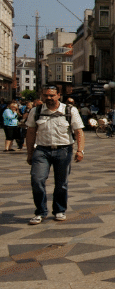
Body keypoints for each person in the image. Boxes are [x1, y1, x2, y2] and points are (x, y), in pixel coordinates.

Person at [24, 87, 85, 224]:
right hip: (41, 151)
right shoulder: (36, 111)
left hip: (64, 150)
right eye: (45, 95)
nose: (48, 98)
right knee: (37, 179)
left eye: (52, 95)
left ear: (58, 95)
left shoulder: (69, 110)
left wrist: (80, 150)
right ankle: (40, 211)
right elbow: (31, 133)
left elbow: (79, 131)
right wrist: (29, 153)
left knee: (61, 183)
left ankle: (59, 210)